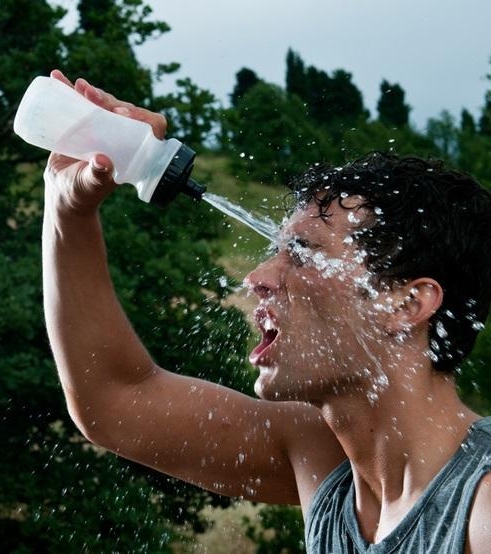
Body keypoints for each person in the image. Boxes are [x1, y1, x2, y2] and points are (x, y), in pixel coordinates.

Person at [43, 70, 491, 553]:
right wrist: (68, 208)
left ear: (406, 304)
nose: (256, 279)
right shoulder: (320, 458)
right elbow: (113, 399)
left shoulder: (479, 511)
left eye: (301, 252)